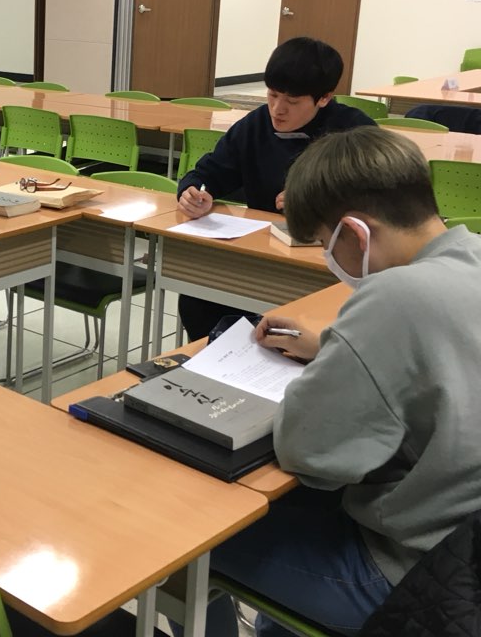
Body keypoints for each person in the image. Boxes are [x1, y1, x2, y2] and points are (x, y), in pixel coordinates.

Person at [187, 126, 481, 635]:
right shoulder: (471, 254)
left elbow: (310, 454)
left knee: (188, 529)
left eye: (326, 244)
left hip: (421, 578)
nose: (329, 259)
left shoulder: (394, 295)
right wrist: (335, 347)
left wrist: (337, 361)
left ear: (355, 233)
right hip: (463, 547)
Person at [174, 37, 376, 341]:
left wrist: (316, 203)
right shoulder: (255, 125)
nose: (277, 110)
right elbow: (210, 172)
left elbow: (378, 203)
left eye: (292, 102)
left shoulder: (355, 133)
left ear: (324, 98)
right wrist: (193, 191)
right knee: (198, 297)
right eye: (272, 95)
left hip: (327, 264)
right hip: (263, 252)